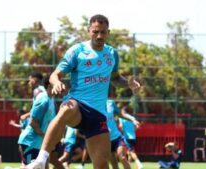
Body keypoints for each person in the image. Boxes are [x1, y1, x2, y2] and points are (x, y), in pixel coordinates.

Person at [26, 14, 140, 169]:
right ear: (89, 30)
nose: (99, 36)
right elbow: (55, 75)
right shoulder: (77, 50)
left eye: (103, 32)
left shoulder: (112, 54)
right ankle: (41, 160)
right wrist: (57, 82)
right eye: (95, 31)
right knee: (66, 108)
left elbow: (115, 78)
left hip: (98, 114)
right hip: (78, 105)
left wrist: (128, 84)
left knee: (102, 165)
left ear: (108, 32)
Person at [18, 76, 64, 169]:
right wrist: (46, 137)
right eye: (58, 83)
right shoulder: (44, 100)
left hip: (39, 144)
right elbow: (32, 122)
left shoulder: (51, 99)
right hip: (30, 143)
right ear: (51, 85)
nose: (61, 85)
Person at [106, 99, 140, 169]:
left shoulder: (110, 103)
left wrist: (133, 120)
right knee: (114, 163)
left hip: (117, 137)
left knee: (122, 157)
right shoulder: (95, 105)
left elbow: (121, 114)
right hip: (106, 140)